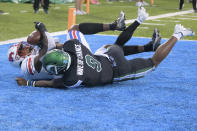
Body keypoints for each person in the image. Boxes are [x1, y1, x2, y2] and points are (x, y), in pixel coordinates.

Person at [15, 7, 182, 88]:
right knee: (115, 46)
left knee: (153, 63)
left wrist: (29, 85)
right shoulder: (72, 46)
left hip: (117, 71)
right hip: (106, 54)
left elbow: (51, 83)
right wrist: (44, 33)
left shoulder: (73, 78)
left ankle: (178, 34)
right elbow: (52, 48)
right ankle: (145, 41)